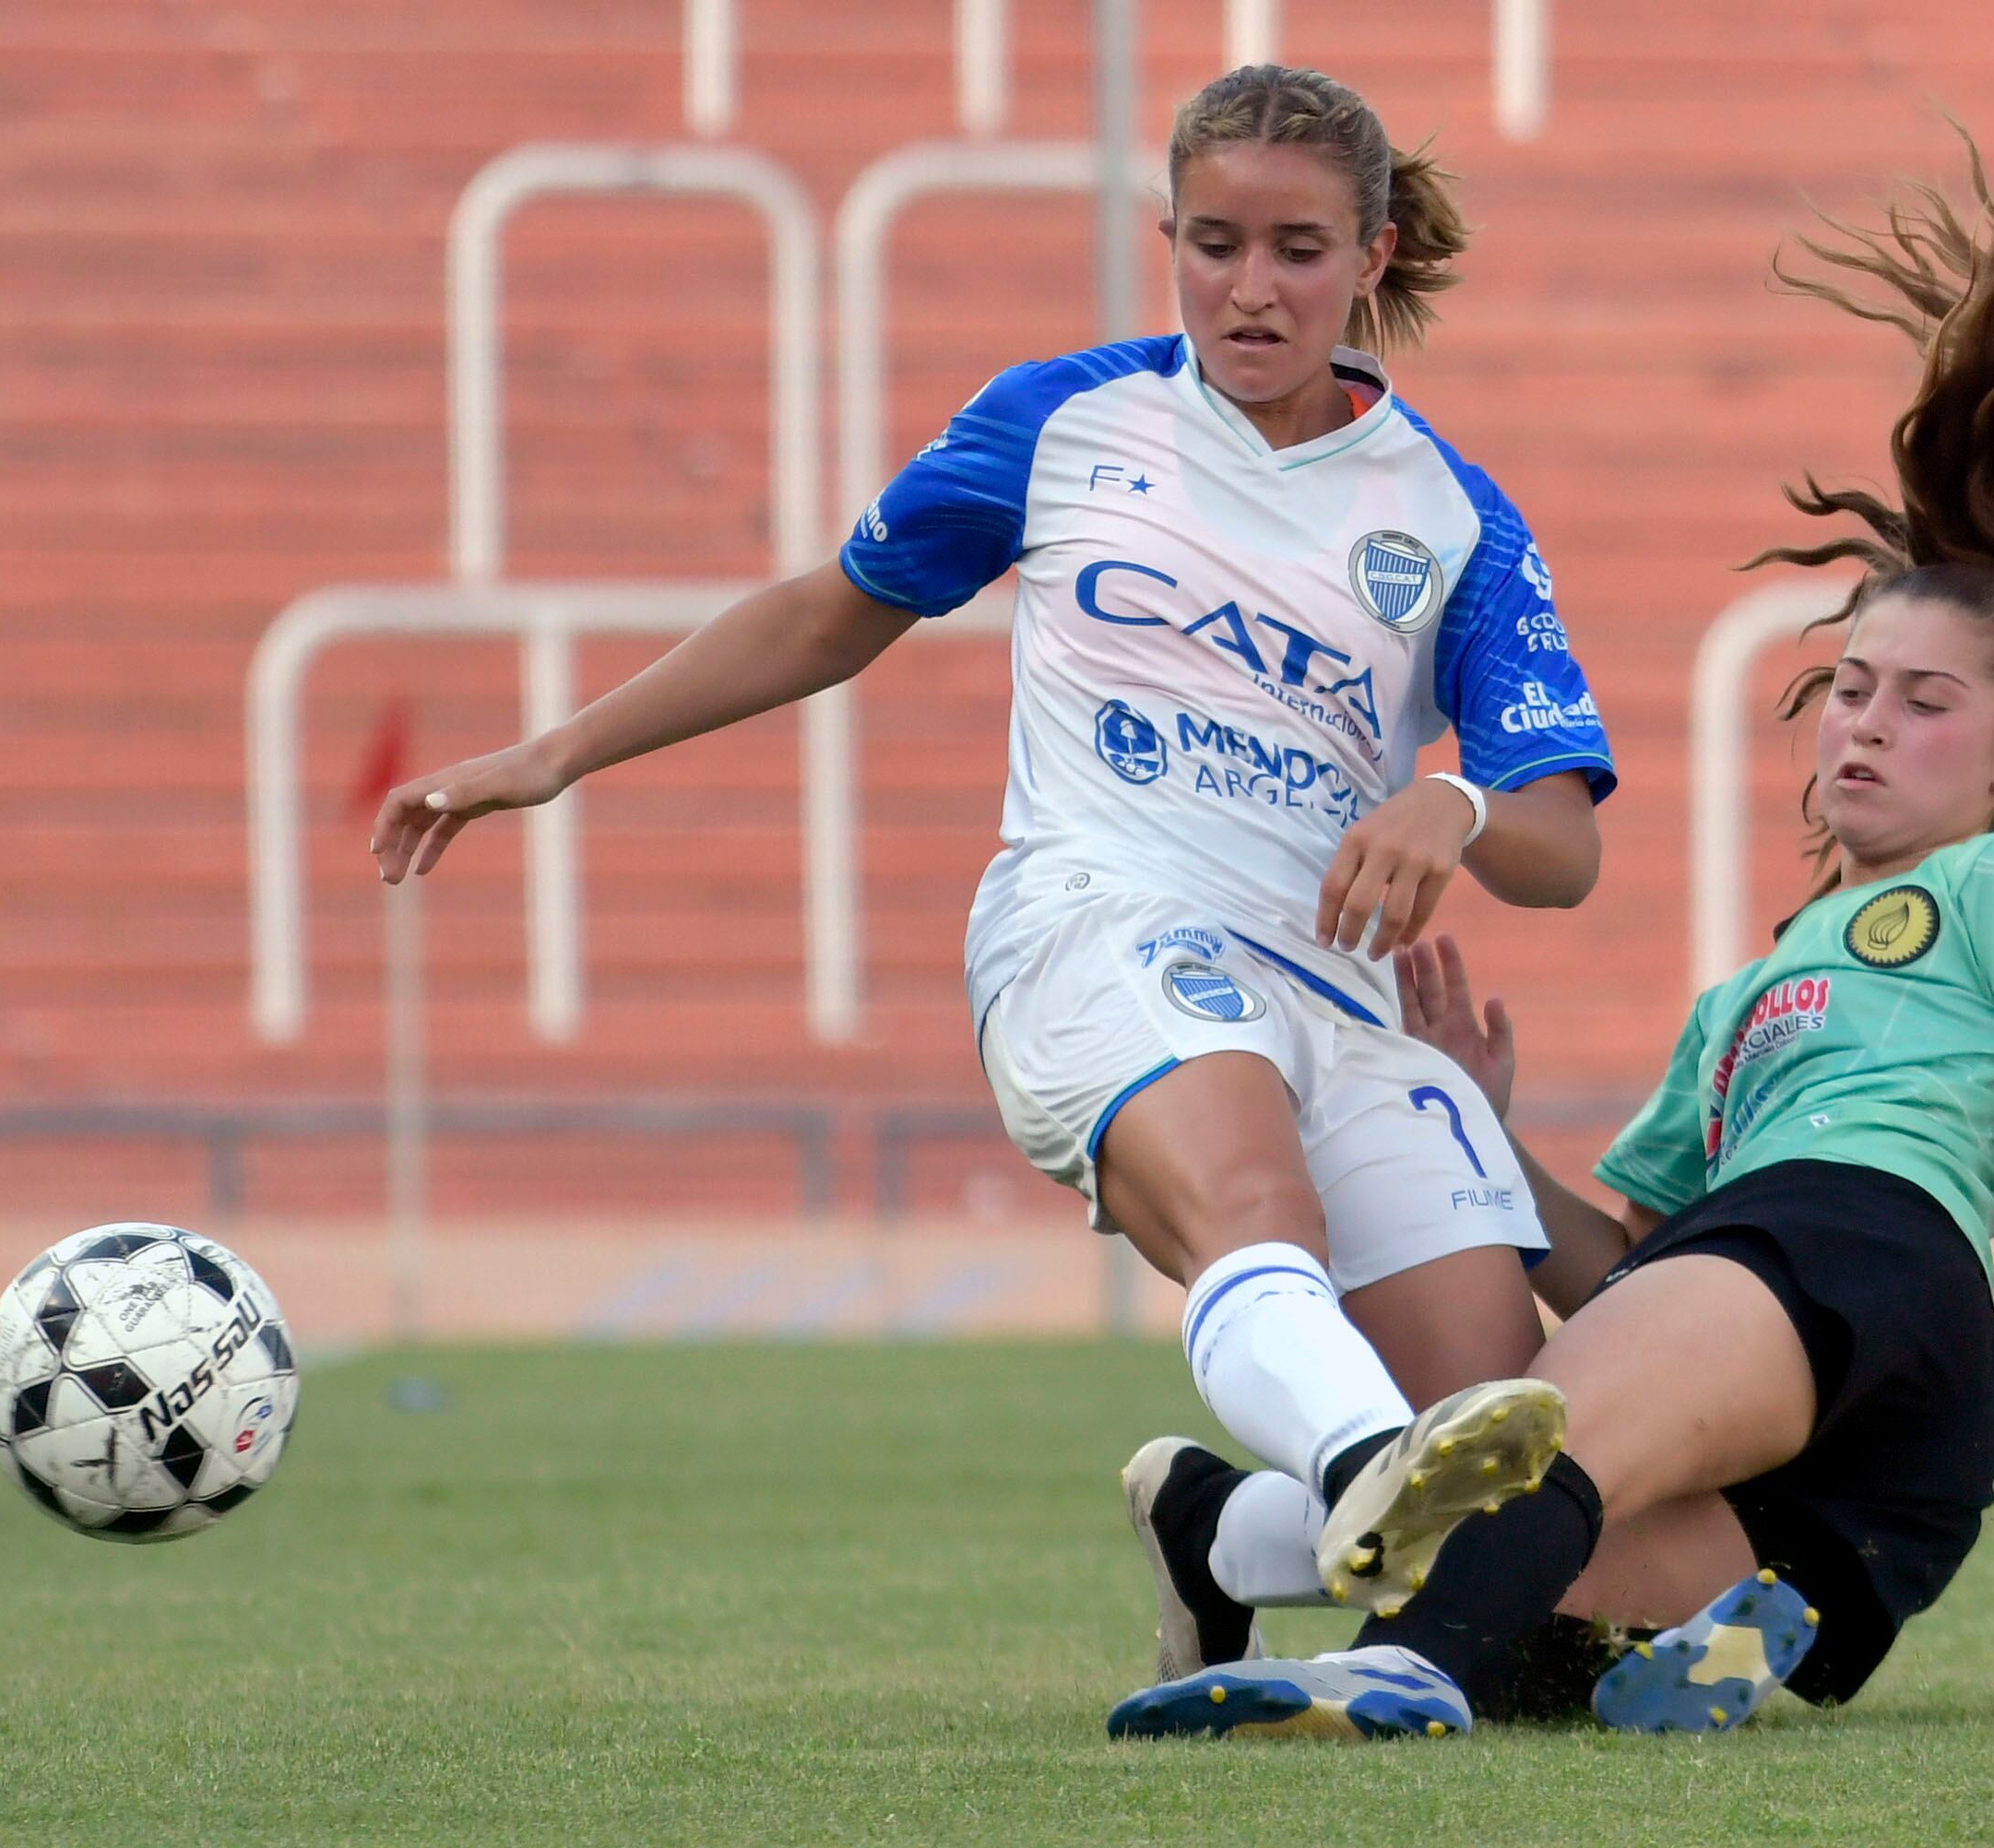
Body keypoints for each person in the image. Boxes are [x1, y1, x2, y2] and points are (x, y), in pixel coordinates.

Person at [1107, 107, 1994, 1745]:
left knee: (1518, 1461)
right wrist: (1480, 1128)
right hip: (1772, 1388)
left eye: (1921, 704)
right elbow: (1615, 1272)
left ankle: (1406, 1676)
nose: (1862, 726)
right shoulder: (1753, 990)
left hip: (1873, 1278)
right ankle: (1238, 1529)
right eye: (1846, 689)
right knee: (1504, 1519)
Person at [369, 65, 1613, 1632]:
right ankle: (1358, 1446)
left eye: (1297, 249)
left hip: (1338, 996)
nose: (1250, 287)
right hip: (1098, 926)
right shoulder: (1060, 420)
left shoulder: (1452, 516)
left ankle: (1224, 1537)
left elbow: (1561, 849)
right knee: (1257, 1213)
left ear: (1370, 256)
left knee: (1495, 1471)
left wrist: (1461, 805)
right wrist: (554, 753)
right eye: (1214, 242)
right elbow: (830, 613)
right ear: (1166, 237)